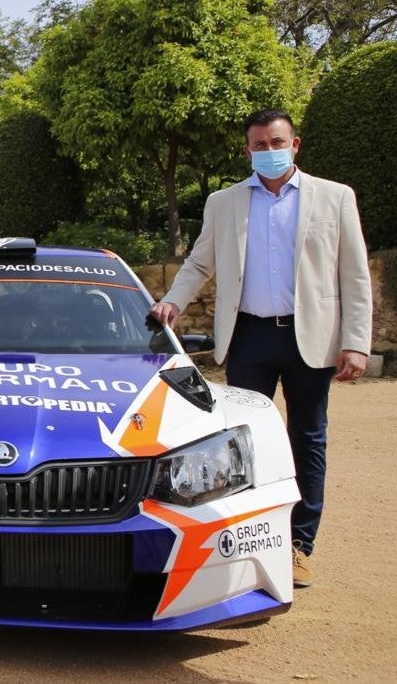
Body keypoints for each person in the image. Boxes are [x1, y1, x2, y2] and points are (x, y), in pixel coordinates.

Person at [151, 109, 372, 588]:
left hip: (309, 336)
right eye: (259, 145)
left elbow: (353, 275)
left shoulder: (334, 198)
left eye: (277, 143)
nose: (268, 152)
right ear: (247, 150)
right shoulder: (225, 202)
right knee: (239, 441)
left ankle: (298, 547)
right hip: (249, 335)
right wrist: (171, 301)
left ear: (295, 145)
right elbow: (198, 261)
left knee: (307, 437)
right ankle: (243, 540)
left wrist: (356, 342)